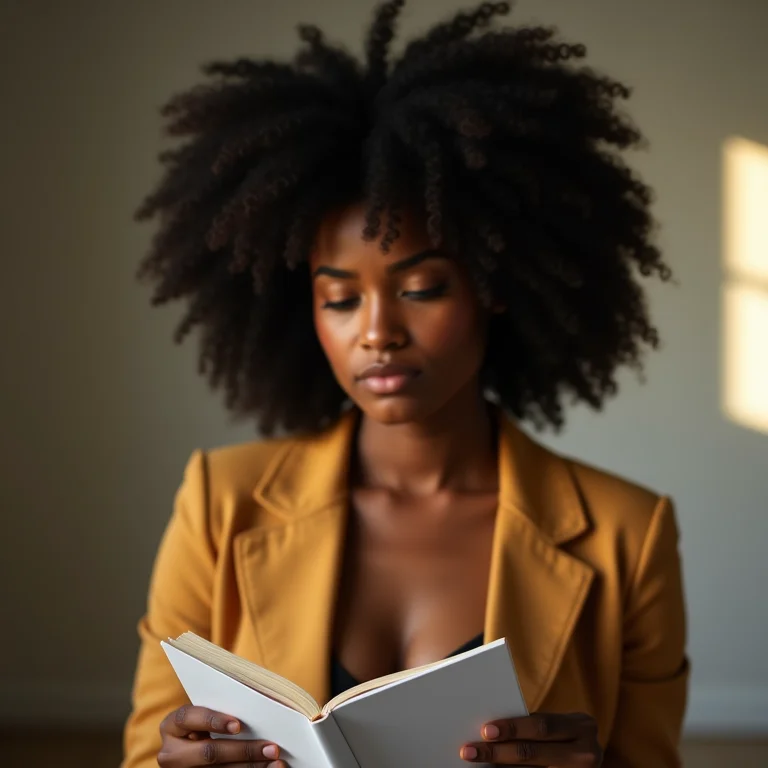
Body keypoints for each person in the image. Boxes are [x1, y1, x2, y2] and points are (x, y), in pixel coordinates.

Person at [122, 2, 689, 766]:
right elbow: (143, 752)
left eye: (421, 288)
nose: (377, 331)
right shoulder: (219, 504)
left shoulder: (629, 534)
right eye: (340, 298)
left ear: (494, 286)